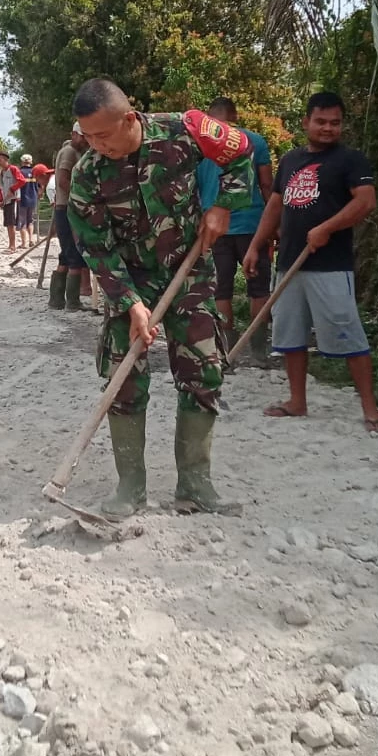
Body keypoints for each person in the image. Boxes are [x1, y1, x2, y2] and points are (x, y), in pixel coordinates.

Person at [69, 78, 253, 517]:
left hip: (189, 272)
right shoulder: (87, 174)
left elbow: (241, 152)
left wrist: (223, 205)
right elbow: (96, 247)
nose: (97, 145)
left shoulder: (185, 130)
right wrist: (130, 303)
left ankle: (194, 484)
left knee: (203, 371)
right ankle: (130, 488)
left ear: (130, 118)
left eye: (104, 134)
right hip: (128, 281)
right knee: (124, 378)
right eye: (87, 136)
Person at [245, 91, 378, 432]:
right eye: (320, 122)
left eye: (335, 123)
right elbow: (275, 207)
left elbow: (366, 202)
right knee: (291, 335)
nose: (327, 129)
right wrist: (255, 245)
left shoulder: (351, 160)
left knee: (349, 334)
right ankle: (297, 402)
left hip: (331, 266)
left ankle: (370, 409)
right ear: (306, 122)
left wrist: (327, 227)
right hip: (291, 262)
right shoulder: (292, 160)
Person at [195, 96, 276, 367]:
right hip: (253, 226)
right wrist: (276, 225)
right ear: (236, 117)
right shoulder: (255, 141)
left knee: (221, 290)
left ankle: (226, 350)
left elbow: (192, 189)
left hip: (215, 228)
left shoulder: (201, 145)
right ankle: (258, 350)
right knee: (258, 287)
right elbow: (267, 186)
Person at [49, 124, 92, 310]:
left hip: (64, 207)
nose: (84, 140)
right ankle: (72, 302)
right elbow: (63, 181)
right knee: (74, 253)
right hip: (68, 208)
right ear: (74, 134)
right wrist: (80, 200)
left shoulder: (72, 151)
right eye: (82, 136)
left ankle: (57, 300)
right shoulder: (69, 153)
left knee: (66, 255)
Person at [0, 150, 28, 251]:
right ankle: (11, 245)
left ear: (6, 160)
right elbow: (1, 188)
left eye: (0, 160)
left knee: (11, 223)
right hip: (6, 201)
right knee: (8, 223)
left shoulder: (13, 169)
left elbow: (22, 181)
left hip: (13, 200)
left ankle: (12, 246)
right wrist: (0, 201)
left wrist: (13, 189)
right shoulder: (1, 173)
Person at [18, 153, 42, 245]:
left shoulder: (19, 172)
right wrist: (39, 194)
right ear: (31, 162)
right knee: (30, 220)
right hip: (33, 199)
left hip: (22, 199)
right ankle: (31, 239)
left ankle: (24, 243)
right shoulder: (34, 173)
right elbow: (40, 186)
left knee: (22, 221)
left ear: (22, 162)